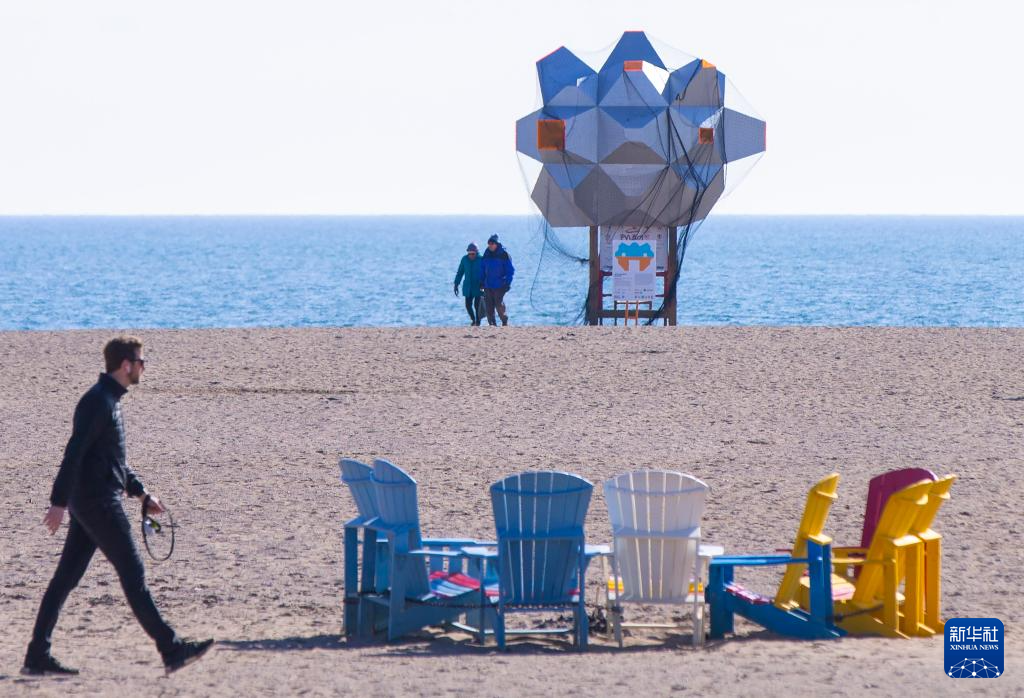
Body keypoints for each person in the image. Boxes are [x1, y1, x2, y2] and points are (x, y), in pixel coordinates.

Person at [23, 337, 213, 677]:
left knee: (65, 579)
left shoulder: (109, 399)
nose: (144, 366)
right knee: (133, 574)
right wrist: (57, 502)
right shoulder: (98, 402)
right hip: (98, 503)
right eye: (141, 361)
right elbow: (74, 452)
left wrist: (142, 495)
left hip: (90, 502)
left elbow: (114, 461)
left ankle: (37, 655)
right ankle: (172, 650)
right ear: (126, 365)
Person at [480, 234, 515, 326]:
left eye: (492, 243)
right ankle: (492, 324)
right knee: (489, 306)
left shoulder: (504, 255)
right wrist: (481, 282)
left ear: (497, 244)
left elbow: (510, 271)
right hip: (488, 285)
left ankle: (504, 321)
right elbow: (482, 269)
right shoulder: (486, 254)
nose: (490, 245)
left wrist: (507, 283)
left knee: (498, 304)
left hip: (500, 285)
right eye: (489, 243)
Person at [453, 242, 484, 326]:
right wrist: (456, 284)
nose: (471, 255)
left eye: (473, 254)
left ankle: (478, 322)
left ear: (476, 252)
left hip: (479, 287)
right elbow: (460, 272)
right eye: (469, 253)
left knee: (477, 306)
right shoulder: (464, 259)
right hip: (468, 287)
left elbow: (486, 272)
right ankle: (473, 320)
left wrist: (485, 283)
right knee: (468, 305)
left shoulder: (481, 259)